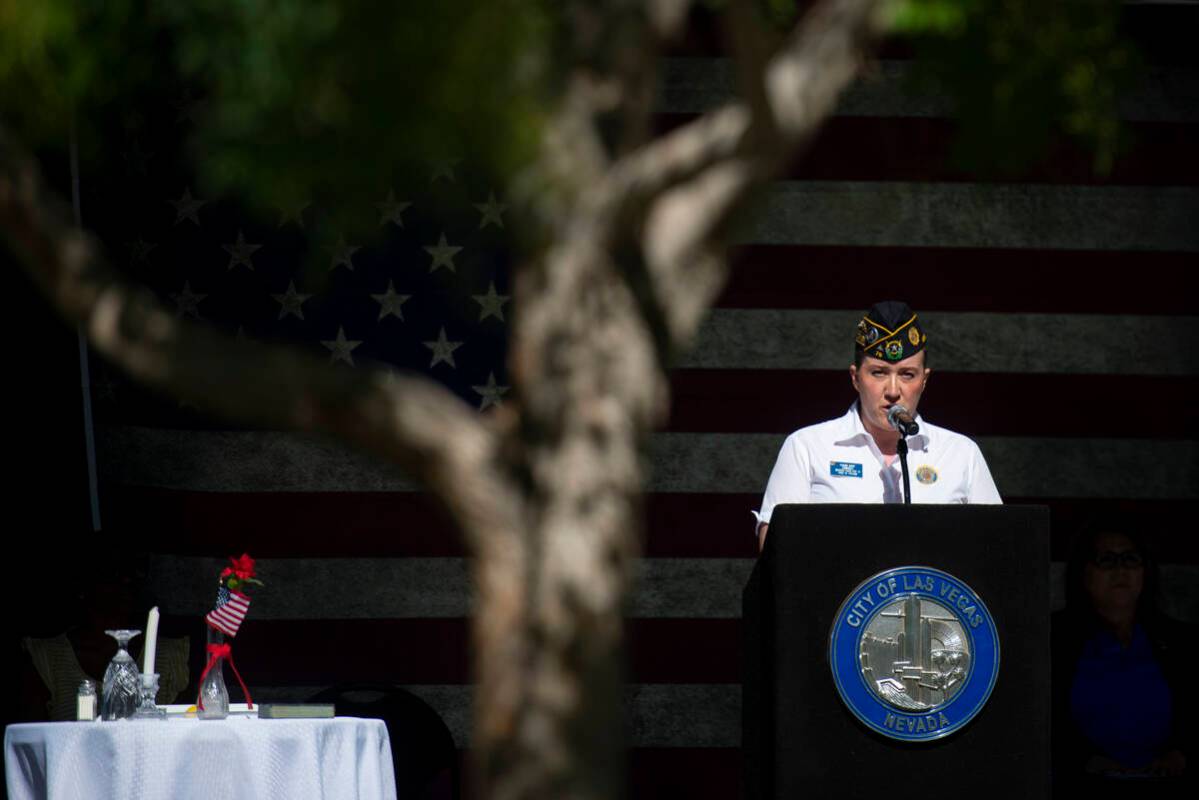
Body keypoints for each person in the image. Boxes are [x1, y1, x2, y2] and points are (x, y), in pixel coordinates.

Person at [754, 301, 1000, 551]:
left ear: (924, 380)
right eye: (879, 372)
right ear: (856, 378)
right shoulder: (807, 447)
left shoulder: (961, 453)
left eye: (907, 375)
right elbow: (774, 552)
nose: (893, 391)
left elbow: (998, 545)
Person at [1051, 524, 1195, 794]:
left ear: (1145, 571)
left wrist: (1180, 754)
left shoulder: (1182, 643)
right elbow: (1044, 725)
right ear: (1084, 573)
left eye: (1130, 559)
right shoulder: (1054, 641)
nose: (1121, 570)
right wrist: (1084, 759)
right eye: (1106, 560)